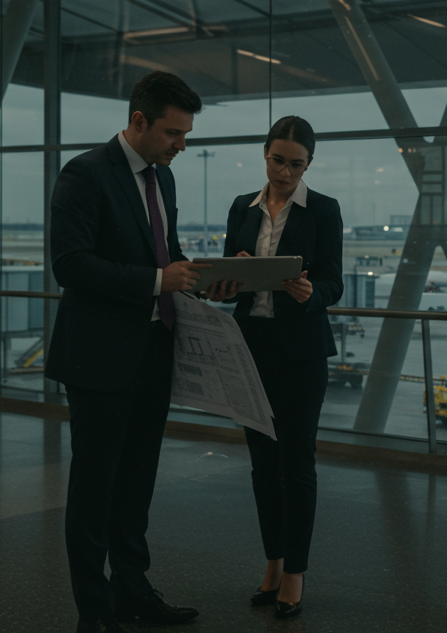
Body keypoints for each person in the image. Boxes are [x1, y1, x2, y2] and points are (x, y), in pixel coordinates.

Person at [46, 71, 212, 633]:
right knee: (95, 491)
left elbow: (166, 254)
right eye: (172, 133)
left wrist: (203, 277)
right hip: (99, 359)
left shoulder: (162, 180)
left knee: (137, 485)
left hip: (153, 352)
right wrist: (154, 281)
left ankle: (133, 592)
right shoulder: (85, 174)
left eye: (186, 135)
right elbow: (69, 264)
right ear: (138, 121)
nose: (180, 146)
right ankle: (95, 613)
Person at [206, 116, 342, 620]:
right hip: (251, 347)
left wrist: (311, 294)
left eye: (296, 164)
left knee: (296, 467)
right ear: (264, 154)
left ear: (310, 164)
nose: (285, 172)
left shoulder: (323, 210)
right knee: (263, 466)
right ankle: (272, 561)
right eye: (277, 160)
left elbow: (333, 280)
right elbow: (224, 275)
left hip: (301, 354)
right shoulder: (242, 207)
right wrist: (225, 279)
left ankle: (295, 572)